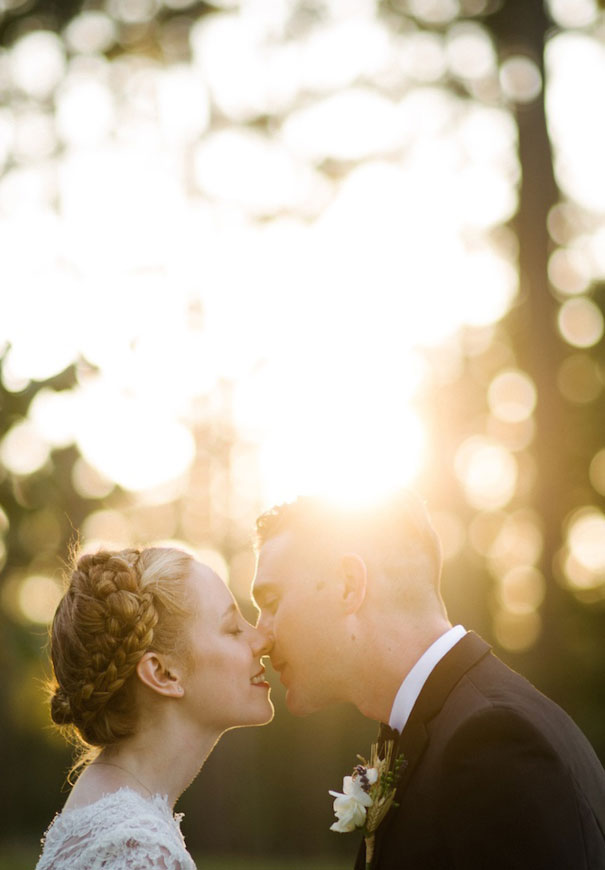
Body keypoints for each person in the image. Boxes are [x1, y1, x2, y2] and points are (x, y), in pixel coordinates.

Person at [252, 492, 605, 869]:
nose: (261, 636)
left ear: (348, 586)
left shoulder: (493, 743)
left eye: (272, 603)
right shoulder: (448, 728)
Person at [36, 546, 272, 870]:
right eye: (233, 629)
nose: (262, 640)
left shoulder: (104, 808)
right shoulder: (140, 852)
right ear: (162, 673)